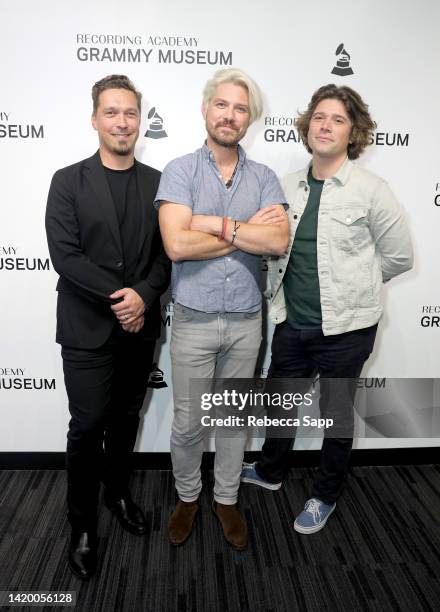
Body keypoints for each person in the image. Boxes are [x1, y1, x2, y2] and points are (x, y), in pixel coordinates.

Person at [241, 84, 413, 534]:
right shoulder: (286, 187)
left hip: (348, 329)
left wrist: (356, 286)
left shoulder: (372, 190)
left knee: (335, 416)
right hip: (291, 322)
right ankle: (271, 471)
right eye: (319, 116)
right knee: (280, 406)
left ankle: (325, 494)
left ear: (352, 132)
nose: (326, 126)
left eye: (338, 119)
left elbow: (399, 257)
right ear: (307, 124)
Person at [156, 68, 288, 550]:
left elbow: (275, 239)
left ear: (249, 119)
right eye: (222, 105)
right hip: (192, 318)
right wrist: (243, 230)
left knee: (233, 420)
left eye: (240, 108)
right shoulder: (179, 171)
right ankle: (188, 496)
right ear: (206, 109)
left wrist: (212, 225)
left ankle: (226, 498)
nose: (230, 115)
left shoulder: (265, 177)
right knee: (189, 422)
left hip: (245, 323)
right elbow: (175, 244)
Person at [45, 75, 170, 579]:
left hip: (139, 328)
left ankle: (117, 494)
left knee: (125, 421)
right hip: (86, 328)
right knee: (87, 426)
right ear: (94, 118)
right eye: (112, 113)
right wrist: (123, 298)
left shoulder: (162, 183)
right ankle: (81, 525)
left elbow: (167, 256)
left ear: (140, 120)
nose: (122, 122)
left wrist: (143, 295)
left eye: (130, 113)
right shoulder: (66, 180)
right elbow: (65, 257)